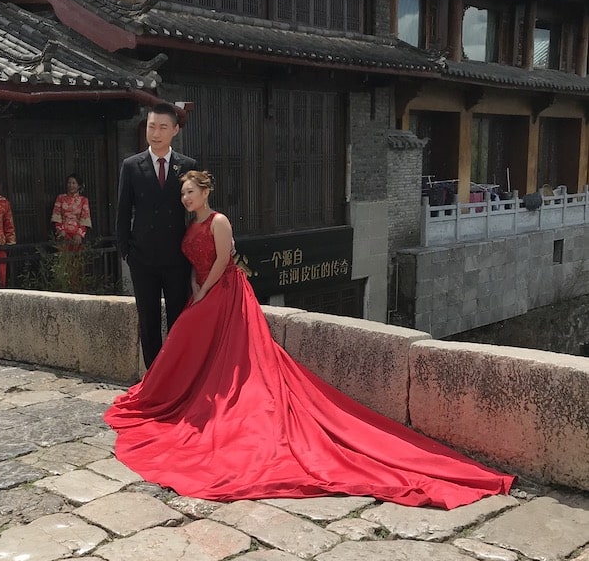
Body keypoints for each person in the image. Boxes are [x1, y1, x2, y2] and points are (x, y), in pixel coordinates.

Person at [105, 170, 515, 509]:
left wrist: (203, 293)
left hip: (225, 294)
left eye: (190, 192)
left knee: (225, 356)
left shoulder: (219, 221)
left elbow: (224, 263)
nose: (185, 198)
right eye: (183, 194)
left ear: (206, 191)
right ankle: (169, 397)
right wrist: (196, 287)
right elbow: (195, 262)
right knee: (189, 345)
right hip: (203, 291)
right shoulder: (190, 222)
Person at [116, 103, 197, 368]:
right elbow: (122, 210)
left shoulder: (187, 166)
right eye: (152, 126)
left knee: (179, 319)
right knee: (148, 319)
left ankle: (175, 374)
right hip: (142, 257)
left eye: (163, 127)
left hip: (177, 257)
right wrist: (126, 251)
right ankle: (153, 377)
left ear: (175, 130)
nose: (156, 133)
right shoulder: (131, 165)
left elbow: (196, 210)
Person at [51, 174, 91, 249]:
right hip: (63, 234)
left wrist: (79, 234)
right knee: (64, 258)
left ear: (78, 186)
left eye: (73, 183)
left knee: (77, 258)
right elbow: (57, 216)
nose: (71, 185)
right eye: (69, 183)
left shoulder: (83, 200)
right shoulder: (60, 198)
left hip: (77, 235)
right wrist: (61, 230)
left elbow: (85, 219)